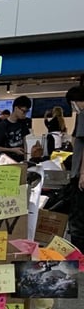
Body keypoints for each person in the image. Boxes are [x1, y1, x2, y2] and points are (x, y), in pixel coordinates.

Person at [65, 86, 84, 247]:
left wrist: (82, 173)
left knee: (78, 221)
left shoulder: (83, 114)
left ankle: (79, 257)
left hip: (80, 175)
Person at [0, 96, 33, 162]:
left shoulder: (23, 123)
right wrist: (12, 150)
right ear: (16, 108)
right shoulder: (3, 125)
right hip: (8, 161)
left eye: (27, 111)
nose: (25, 114)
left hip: (22, 160)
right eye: (23, 111)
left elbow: (26, 140)